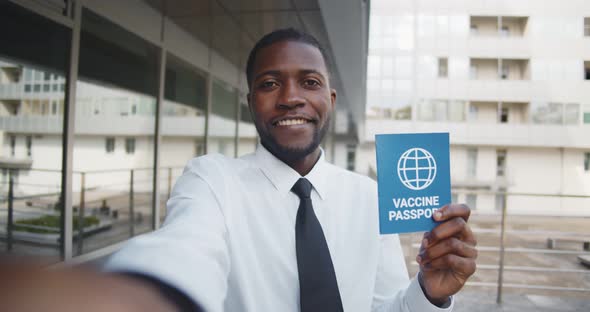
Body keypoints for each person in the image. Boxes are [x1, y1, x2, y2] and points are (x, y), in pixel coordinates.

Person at [0, 28, 476, 312]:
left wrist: (429, 295)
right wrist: (136, 295)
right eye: (270, 83)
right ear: (250, 102)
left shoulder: (369, 197)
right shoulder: (213, 181)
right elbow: (185, 252)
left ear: (329, 101)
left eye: (309, 83)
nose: (291, 97)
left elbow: (385, 307)